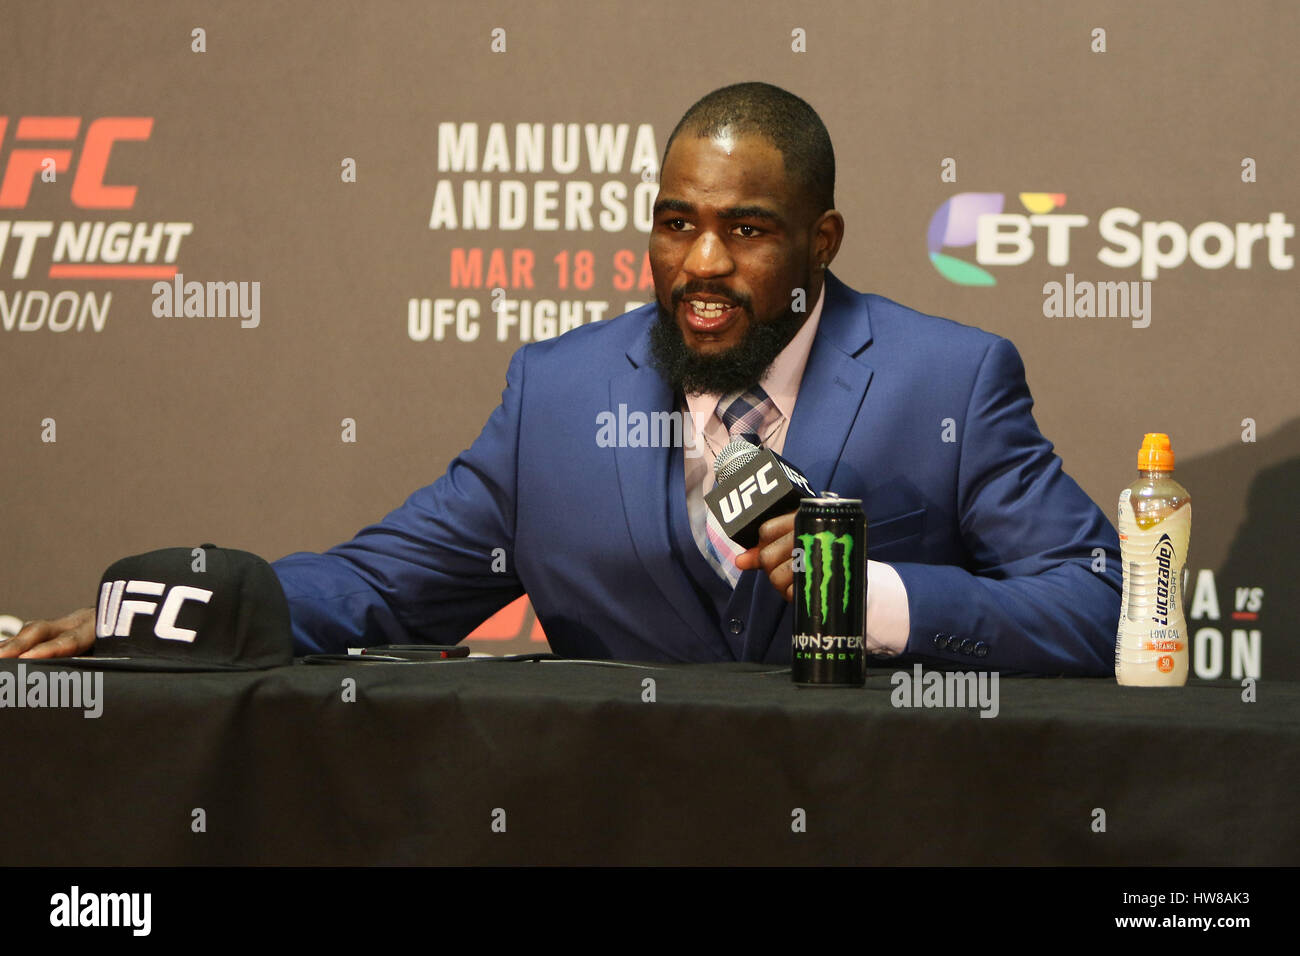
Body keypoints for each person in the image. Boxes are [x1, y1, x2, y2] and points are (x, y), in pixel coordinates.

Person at [1, 82, 1122, 675]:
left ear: (822, 238)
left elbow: (1097, 607)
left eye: (748, 229)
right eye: (677, 224)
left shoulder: (950, 378)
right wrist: (168, 617)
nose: (703, 264)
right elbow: (380, 583)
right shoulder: (557, 393)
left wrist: (867, 595)